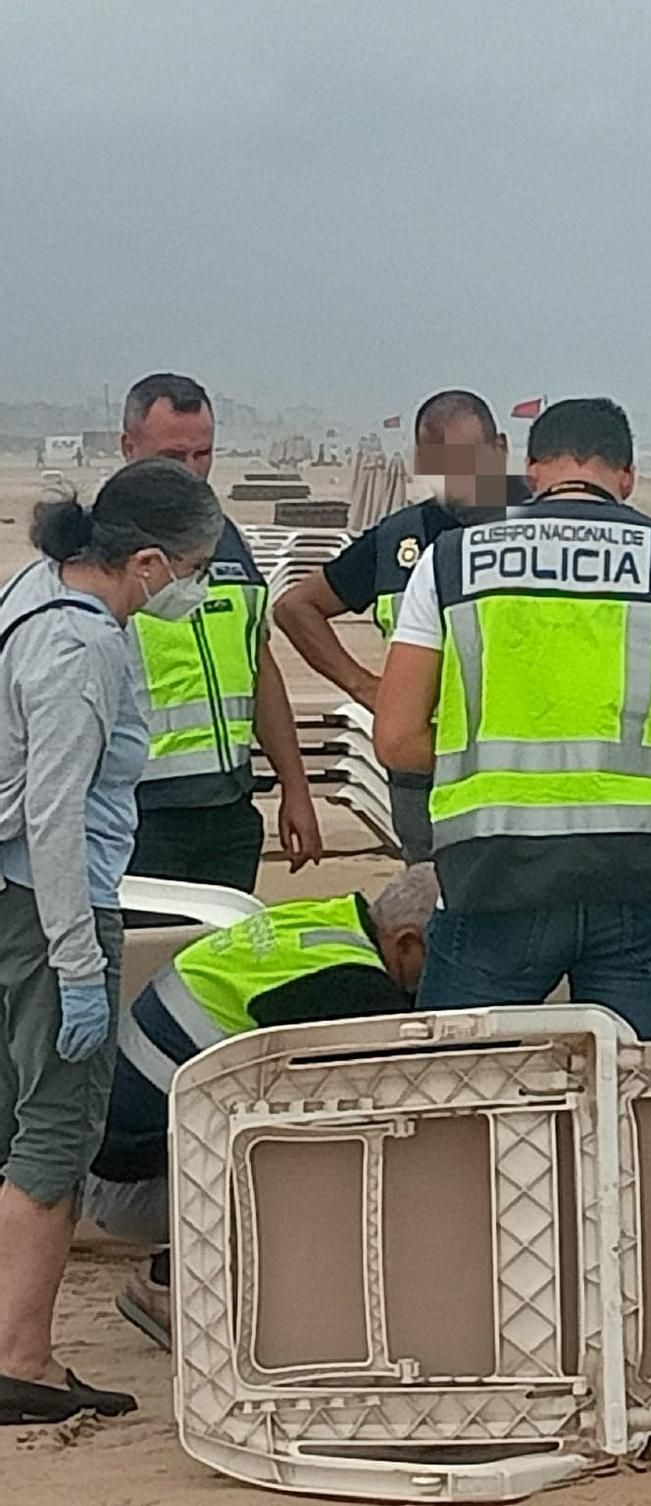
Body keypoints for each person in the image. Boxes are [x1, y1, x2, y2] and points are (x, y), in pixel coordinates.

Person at [373, 397, 651, 1038]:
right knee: (620, 1091)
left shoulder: (451, 561)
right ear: (628, 475)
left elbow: (397, 737)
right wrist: (645, 763)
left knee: (461, 1091)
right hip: (637, 876)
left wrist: (490, 763)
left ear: (531, 470)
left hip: (491, 875)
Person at [0, 460, 223, 1424]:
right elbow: (54, 816)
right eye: (192, 570)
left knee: (20, 1115)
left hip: (18, 898)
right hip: (49, 907)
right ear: (143, 563)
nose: (195, 590)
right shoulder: (82, 650)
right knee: (53, 1134)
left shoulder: (32, 590)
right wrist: (80, 962)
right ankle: (25, 1360)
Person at [83, 863, 440, 1350]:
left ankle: (189, 1274)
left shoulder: (326, 919)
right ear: (405, 943)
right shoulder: (354, 989)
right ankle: (168, 1285)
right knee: (348, 1156)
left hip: (114, 1150)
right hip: (135, 1185)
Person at [273, 390, 531, 861]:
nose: (456, 483)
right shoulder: (400, 540)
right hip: (422, 775)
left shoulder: (547, 528)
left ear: (500, 450)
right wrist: (365, 686)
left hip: (527, 770)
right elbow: (295, 609)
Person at [120, 374, 322, 893]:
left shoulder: (226, 541)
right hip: (141, 817)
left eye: (203, 454)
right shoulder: (102, 553)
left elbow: (259, 670)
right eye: (173, 456)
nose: (191, 472)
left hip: (231, 809)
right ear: (128, 448)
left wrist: (295, 789)